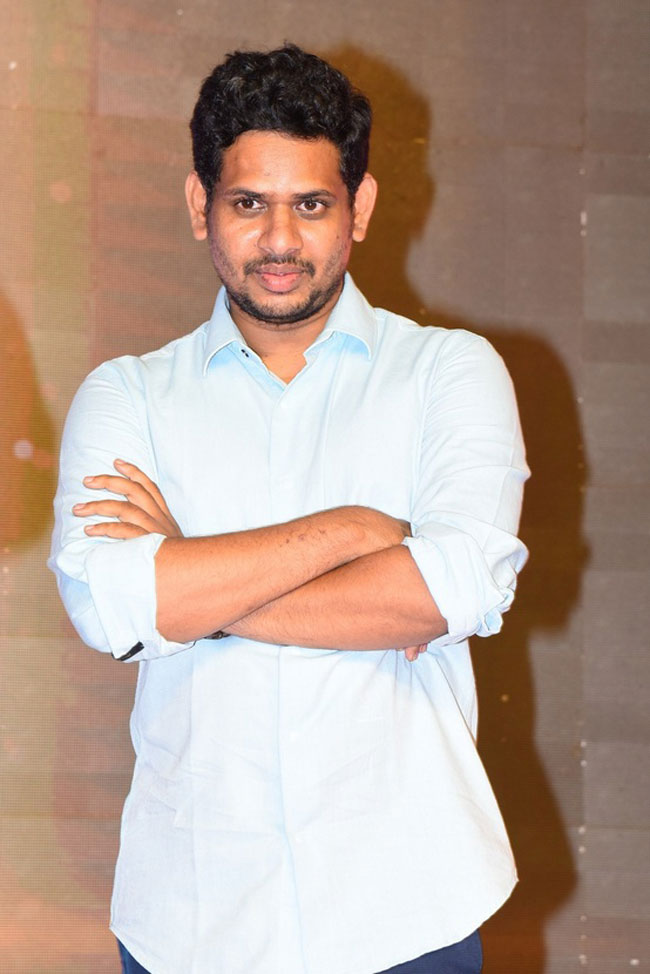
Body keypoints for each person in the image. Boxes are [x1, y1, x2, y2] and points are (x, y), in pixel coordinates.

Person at [49, 44, 529, 974]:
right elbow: (109, 606)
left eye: (311, 205)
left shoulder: (450, 372)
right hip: (191, 922)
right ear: (201, 206)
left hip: (407, 911)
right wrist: (351, 535)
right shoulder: (126, 396)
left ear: (361, 208)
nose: (279, 240)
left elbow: (452, 589)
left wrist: (190, 585)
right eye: (247, 204)